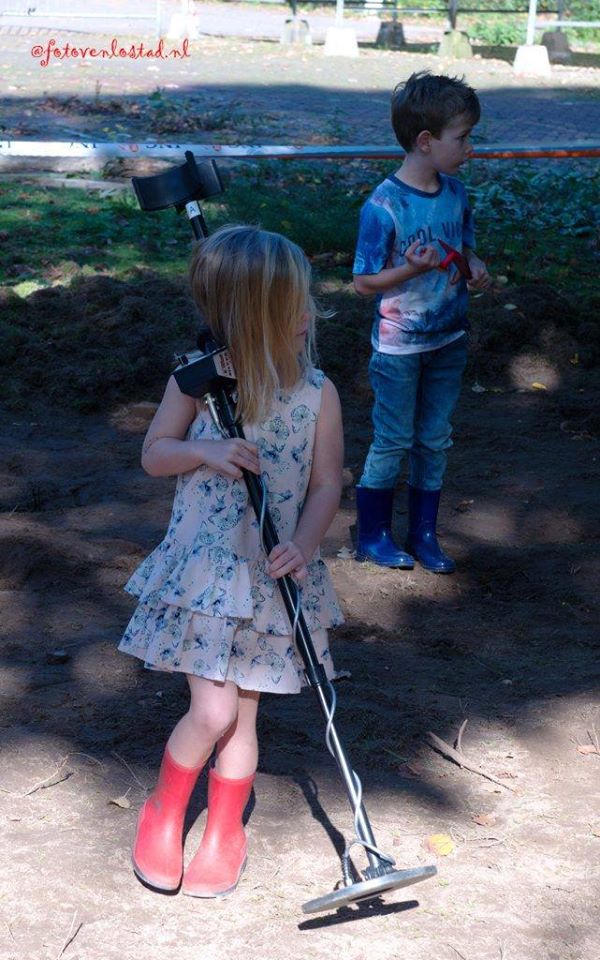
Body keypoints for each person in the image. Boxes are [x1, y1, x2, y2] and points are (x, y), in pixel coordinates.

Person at [118, 224, 344, 897]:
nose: (310, 317)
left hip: (272, 577)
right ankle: (163, 810)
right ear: (251, 319)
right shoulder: (198, 382)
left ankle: (224, 828)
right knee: (212, 713)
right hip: (207, 574)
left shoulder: (316, 394)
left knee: (243, 717)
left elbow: (328, 481)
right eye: (292, 308)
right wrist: (205, 451)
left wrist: (303, 542)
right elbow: (155, 453)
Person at [353, 71, 491, 574]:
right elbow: (363, 283)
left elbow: (465, 245)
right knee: (392, 439)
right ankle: (374, 535)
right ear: (426, 142)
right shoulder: (383, 206)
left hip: (449, 339)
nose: (470, 147)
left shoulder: (454, 193)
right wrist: (412, 267)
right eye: (464, 137)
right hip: (398, 348)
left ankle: (424, 535)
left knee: (434, 438)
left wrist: (473, 264)